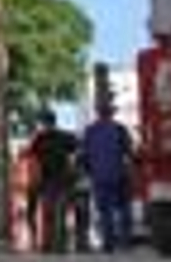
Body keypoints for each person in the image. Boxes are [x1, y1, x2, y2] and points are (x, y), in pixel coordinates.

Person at [80, 101, 135, 252]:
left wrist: (88, 172)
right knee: (124, 209)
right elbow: (129, 152)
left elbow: (84, 156)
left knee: (105, 211)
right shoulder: (119, 129)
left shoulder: (90, 131)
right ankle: (125, 242)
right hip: (119, 175)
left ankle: (108, 243)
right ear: (112, 113)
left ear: (98, 113)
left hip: (99, 176)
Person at [26, 109, 80, 253]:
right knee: (58, 213)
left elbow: (30, 157)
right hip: (62, 180)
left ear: (44, 122)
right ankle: (58, 245)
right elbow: (77, 150)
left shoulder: (39, 139)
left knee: (49, 213)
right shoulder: (65, 137)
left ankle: (48, 244)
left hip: (49, 181)